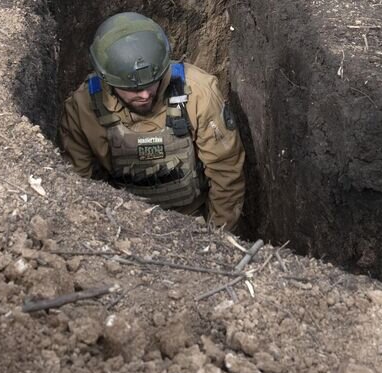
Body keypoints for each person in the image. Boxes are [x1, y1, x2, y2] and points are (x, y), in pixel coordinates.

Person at [60, 12, 245, 230]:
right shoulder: (83, 108)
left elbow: (225, 171)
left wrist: (217, 237)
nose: (145, 95)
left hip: (191, 223)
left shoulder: (198, 94)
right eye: (133, 89)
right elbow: (77, 183)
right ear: (107, 81)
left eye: (152, 83)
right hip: (121, 226)